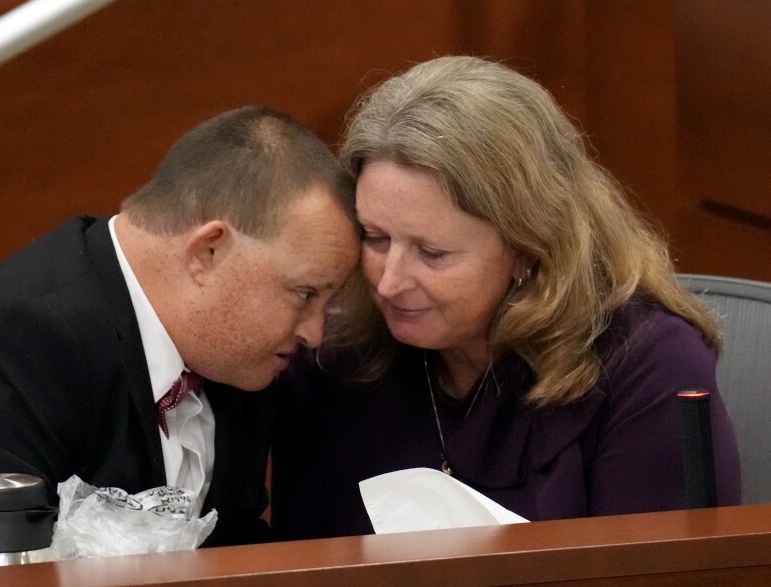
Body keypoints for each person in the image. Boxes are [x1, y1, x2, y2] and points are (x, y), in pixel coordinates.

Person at [270, 56, 741, 540]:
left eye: (432, 253)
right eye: (375, 238)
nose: (389, 283)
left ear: (527, 248)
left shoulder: (646, 366)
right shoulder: (334, 353)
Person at [0, 105, 360, 550]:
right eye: (305, 294)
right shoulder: (8, 348)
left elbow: (230, 546)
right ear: (208, 251)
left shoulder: (233, 354)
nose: (314, 334)